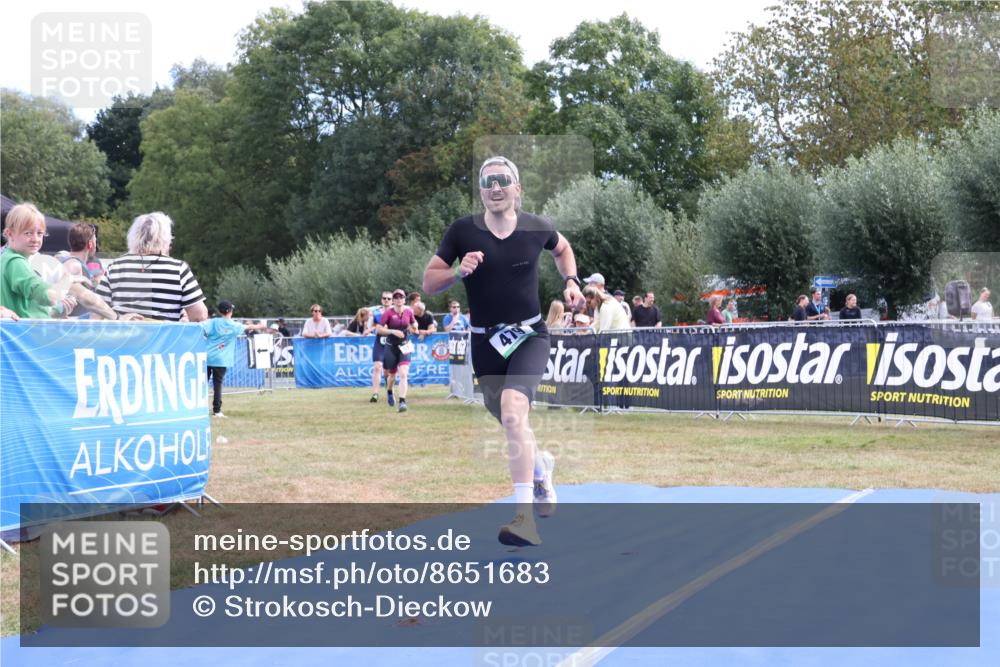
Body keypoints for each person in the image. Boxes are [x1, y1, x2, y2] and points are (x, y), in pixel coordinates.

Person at [422, 155, 584, 547]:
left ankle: (523, 518)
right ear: (481, 191)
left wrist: (572, 281)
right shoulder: (462, 232)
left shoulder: (537, 227)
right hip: (485, 342)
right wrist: (458, 272)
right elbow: (429, 283)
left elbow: (562, 250)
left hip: (530, 336)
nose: (495, 187)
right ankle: (542, 468)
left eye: (503, 180)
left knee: (513, 411)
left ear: (517, 189)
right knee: (511, 422)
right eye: (488, 181)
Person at [96, 212, 208, 321]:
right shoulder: (179, 269)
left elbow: (97, 311)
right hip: (165, 339)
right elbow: (199, 316)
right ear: (167, 239)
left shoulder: (115, 266)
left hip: (124, 339)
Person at [1, 203, 77, 318]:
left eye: (39, 233)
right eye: (28, 233)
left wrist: (60, 309)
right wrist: (62, 287)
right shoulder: (15, 262)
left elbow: (31, 307)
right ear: (10, 233)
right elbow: (42, 292)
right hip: (22, 334)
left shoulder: (6, 259)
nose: (35, 239)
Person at [201, 301, 269, 418]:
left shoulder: (213, 322)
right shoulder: (234, 325)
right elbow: (250, 327)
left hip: (207, 357)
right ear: (229, 311)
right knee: (217, 385)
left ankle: (199, 409)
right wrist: (262, 325)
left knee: (202, 384)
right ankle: (217, 411)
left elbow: (202, 331)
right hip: (221, 360)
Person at [375, 289, 415, 413]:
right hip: (391, 347)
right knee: (391, 376)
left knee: (403, 374)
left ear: (404, 299)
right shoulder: (388, 313)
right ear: (393, 300)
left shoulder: (409, 311)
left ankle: (402, 402)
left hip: (404, 346)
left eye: (401, 297)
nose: (398, 299)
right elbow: (379, 329)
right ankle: (389, 391)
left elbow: (414, 323)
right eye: (396, 297)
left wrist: (415, 327)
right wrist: (392, 331)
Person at [369, 290, 393, 403]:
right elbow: (374, 327)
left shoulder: (396, 312)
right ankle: (375, 394)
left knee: (387, 371)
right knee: (377, 366)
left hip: (392, 343)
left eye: (388, 299)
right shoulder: (377, 313)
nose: (386, 300)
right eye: (384, 298)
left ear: (392, 301)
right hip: (379, 342)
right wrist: (377, 329)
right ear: (381, 300)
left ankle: (388, 387)